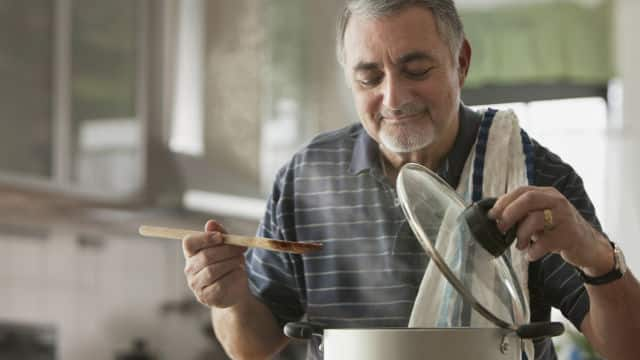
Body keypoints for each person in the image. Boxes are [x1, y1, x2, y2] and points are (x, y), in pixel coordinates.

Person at [181, 1, 640, 359]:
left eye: (416, 70)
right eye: (368, 78)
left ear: (461, 61)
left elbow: (628, 347)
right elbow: (252, 346)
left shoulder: (535, 175)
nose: (393, 98)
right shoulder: (306, 178)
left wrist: (593, 253)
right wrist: (230, 298)